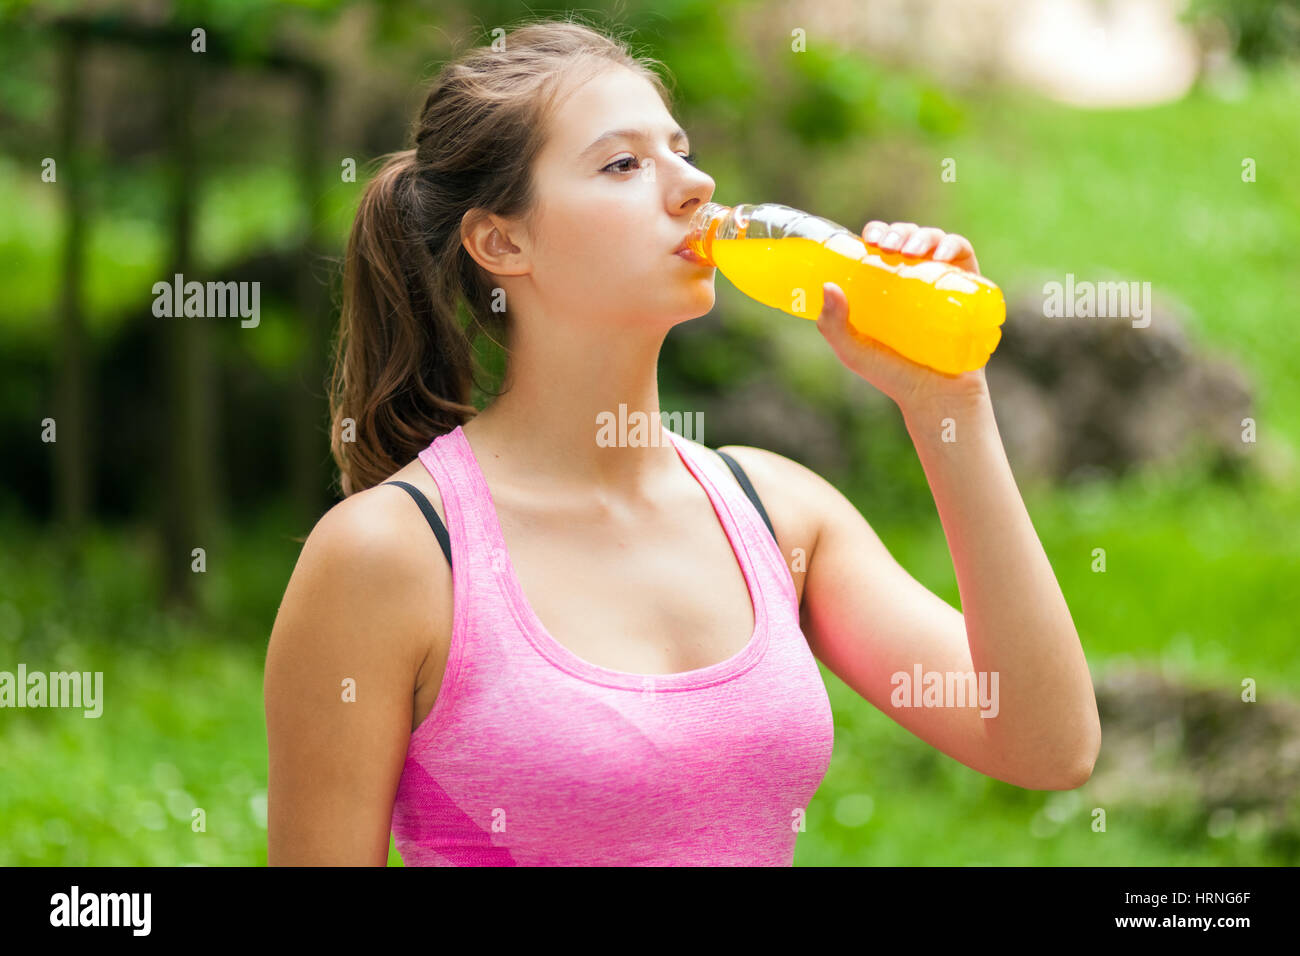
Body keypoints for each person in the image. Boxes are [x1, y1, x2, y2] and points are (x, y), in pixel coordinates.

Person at [264, 17, 1100, 866]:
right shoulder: (391, 556)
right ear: (501, 241)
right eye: (624, 164)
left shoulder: (777, 514)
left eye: (682, 149)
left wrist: (947, 404)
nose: (695, 183)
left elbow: (1045, 744)